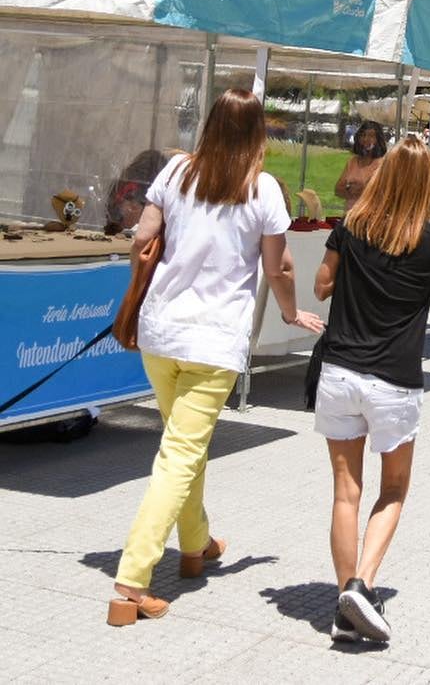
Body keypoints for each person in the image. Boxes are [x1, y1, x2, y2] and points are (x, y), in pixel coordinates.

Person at [107, 89, 323, 626]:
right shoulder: (263, 190)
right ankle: (131, 582)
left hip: (160, 332)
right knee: (180, 455)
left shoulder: (177, 171)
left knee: (184, 447)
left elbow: (143, 236)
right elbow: (281, 271)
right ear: (258, 134)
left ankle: (195, 545)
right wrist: (293, 315)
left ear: (209, 124)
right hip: (213, 342)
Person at [312, 137, 430, 644]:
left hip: (339, 372)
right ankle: (362, 585)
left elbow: (321, 285)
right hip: (393, 382)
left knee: (345, 491)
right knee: (393, 489)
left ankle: (342, 603)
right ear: (426, 186)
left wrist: (351, 272)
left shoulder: (351, 226)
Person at [335, 121, 387, 209]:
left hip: (370, 217)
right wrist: (354, 190)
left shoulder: (382, 164)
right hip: (349, 215)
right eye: (363, 135)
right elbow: (338, 190)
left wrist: (356, 190)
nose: (366, 139)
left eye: (371, 136)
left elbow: (379, 193)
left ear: (378, 140)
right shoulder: (352, 162)